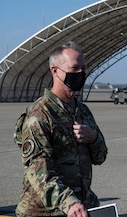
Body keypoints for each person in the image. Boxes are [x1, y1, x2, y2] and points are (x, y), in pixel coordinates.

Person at [14, 41, 108, 217]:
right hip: (45, 211)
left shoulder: (83, 111)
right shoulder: (40, 115)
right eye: (74, 69)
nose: (81, 74)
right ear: (55, 71)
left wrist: (94, 138)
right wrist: (69, 202)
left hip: (80, 207)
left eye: (83, 68)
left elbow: (100, 156)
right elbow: (38, 172)